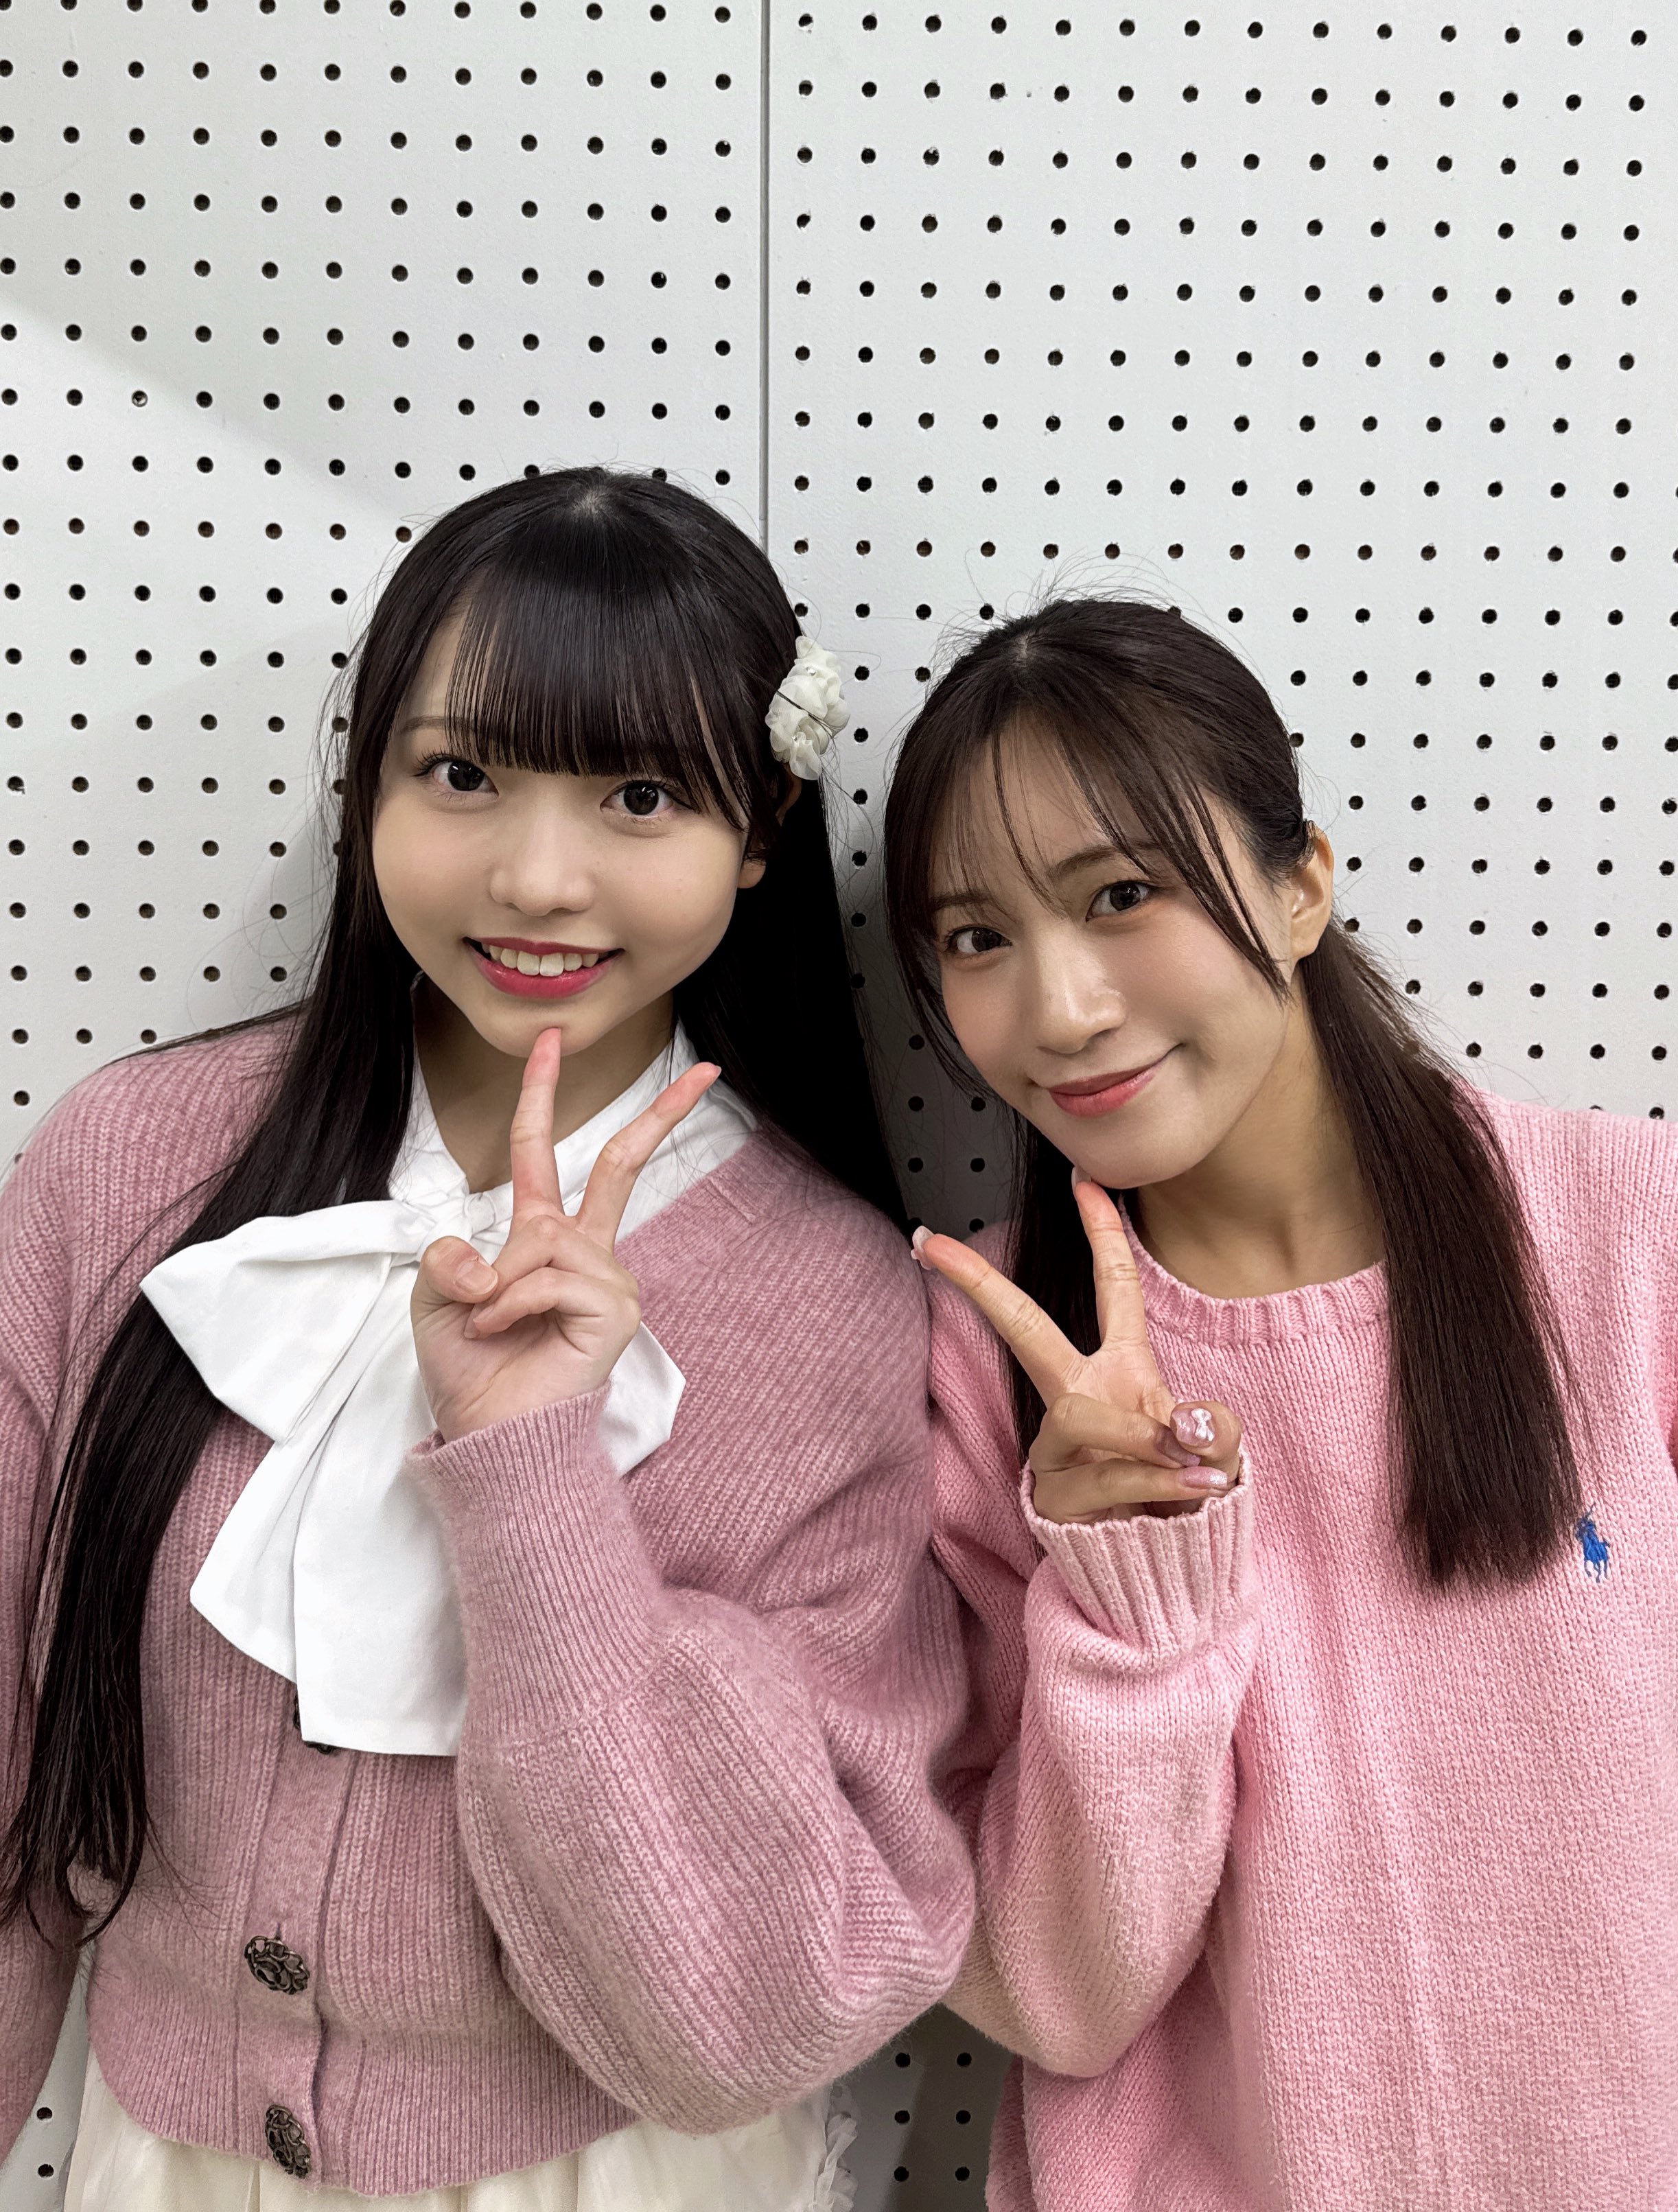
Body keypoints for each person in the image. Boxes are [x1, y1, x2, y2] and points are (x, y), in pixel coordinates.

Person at [0, 468, 973, 2209]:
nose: (537, 875)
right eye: (461, 775)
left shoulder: (828, 1297)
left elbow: (742, 2014)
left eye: (640, 795)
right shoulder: (129, 1163)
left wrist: (530, 1478)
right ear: (367, 780)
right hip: (162, 2164)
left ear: (758, 831)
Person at [883, 593, 1678, 2210]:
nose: (1062, 1007)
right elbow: (1058, 1996)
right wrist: (1130, 1597)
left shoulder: (1658, 1247)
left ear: (1299, 884)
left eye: (1120, 894)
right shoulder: (985, 1368)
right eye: (976, 939)